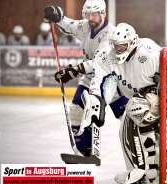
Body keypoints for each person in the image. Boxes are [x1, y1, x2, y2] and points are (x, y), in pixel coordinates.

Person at [55, 23, 167, 184]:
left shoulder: (150, 53)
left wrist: (164, 103)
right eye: (115, 45)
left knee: (137, 117)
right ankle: (143, 171)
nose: (118, 49)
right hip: (133, 96)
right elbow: (97, 73)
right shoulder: (108, 54)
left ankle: (149, 170)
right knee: (129, 125)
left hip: (154, 97)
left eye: (122, 46)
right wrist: (96, 103)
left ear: (132, 43)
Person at [44, 0, 128, 156]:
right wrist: (58, 17)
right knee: (76, 111)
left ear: (103, 13)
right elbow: (70, 26)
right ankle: (85, 151)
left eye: (94, 14)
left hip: (110, 80)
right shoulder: (85, 26)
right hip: (90, 79)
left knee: (127, 118)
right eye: (87, 14)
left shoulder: (110, 33)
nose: (90, 18)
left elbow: (99, 61)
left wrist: (74, 71)